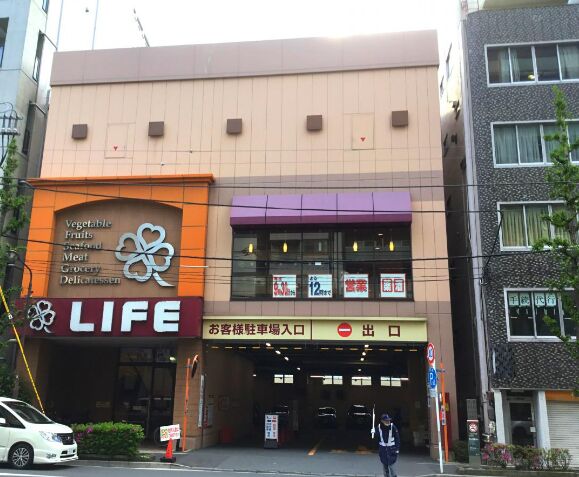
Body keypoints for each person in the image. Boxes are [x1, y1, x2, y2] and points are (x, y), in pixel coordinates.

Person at [372, 413, 400, 477]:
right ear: (382, 421)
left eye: (388, 420)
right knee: (384, 465)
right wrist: (374, 433)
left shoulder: (393, 427)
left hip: (391, 449)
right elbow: (377, 438)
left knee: (391, 465)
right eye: (386, 420)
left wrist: (397, 449)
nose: (388, 421)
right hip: (383, 449)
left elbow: (397, 438)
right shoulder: (379, 427)